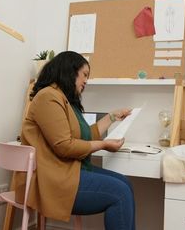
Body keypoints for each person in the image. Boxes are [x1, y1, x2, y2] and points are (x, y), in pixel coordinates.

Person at [15, 51, 136, 230]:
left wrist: (112, 116)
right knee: (120, 193)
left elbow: (87, 135)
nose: (86, 81)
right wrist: (103, 144)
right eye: (84, 75)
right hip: (52, 179)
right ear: (69, 71)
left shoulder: (66, 100)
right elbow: (65, 146)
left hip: (66, 171)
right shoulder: (48, 97)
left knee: (125, 184)